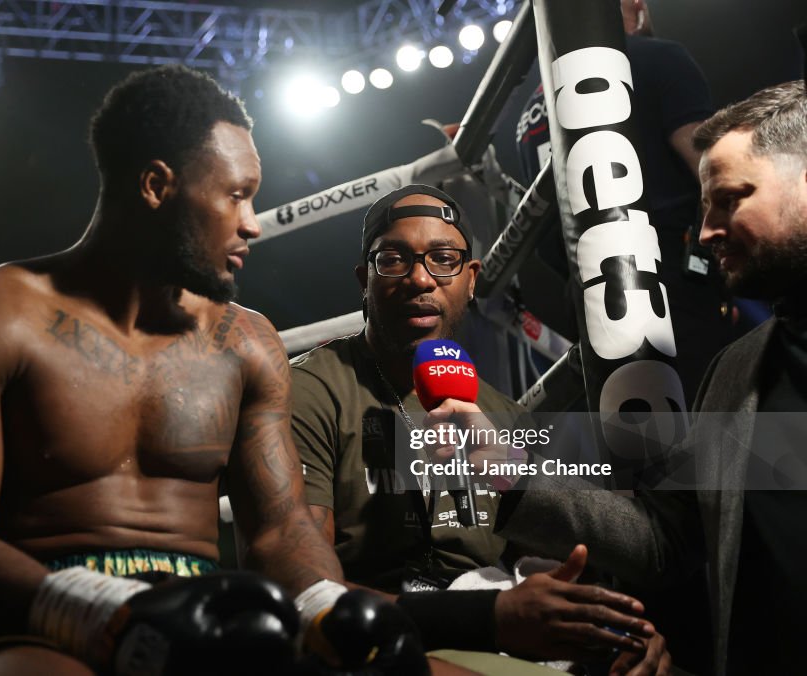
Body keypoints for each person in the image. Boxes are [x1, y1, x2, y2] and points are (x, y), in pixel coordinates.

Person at [0, 65, 428, 676]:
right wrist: (108, 615)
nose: (252, 222)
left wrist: (325, 605)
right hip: (29, 629)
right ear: (155, 186)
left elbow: (280, 529)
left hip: (206, 631)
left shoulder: (245, 342)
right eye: (235, 195)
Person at [490, 80, 807, 675]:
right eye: (703, 206)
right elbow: (668, 540)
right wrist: (506, 479)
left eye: (732, 197)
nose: (707, 231)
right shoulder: (738, 370)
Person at [291, 184, 669, 673]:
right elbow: (301, 586)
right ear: (365, 280)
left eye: (444, 259)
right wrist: (482, 617)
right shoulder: (312, 388)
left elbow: (554, 576)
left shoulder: (504, 415)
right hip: (375, 642)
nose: (421, 279)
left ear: (471, 279)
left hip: (496, 642)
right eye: (393, 260)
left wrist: (616, 631)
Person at [514, 0, 735, 405]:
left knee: (633, 433)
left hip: (587, 289)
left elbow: (541, 231)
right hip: (667, 275)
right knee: (712, 422)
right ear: (633, 5)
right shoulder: (659, 56)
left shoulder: (529, 111)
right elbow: (714, 169)